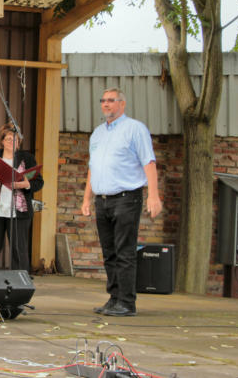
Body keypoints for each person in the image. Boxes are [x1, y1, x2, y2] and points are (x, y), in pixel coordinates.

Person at [82, 88, 162, 317]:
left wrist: (153, 195)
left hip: (126, 198)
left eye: (111, 100)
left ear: (122, 104)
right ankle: (114, 298)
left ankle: (127, 302)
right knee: (109, 252)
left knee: (124, 251)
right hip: (103, 199)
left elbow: (149, 162)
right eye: (103, 100)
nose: (106, 104)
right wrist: (87, 198)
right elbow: (93, 167)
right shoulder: (97, 134)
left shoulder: (135, 129)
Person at [0, 123, 44, 271]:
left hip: (19, 211)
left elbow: (39, 182)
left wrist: (25, 185)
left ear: (19, 142)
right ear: (2, 141)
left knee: (19, 249)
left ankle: (19, 280)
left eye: (15, 139)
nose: (12, 142)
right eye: (8, 139)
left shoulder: (27, 158)